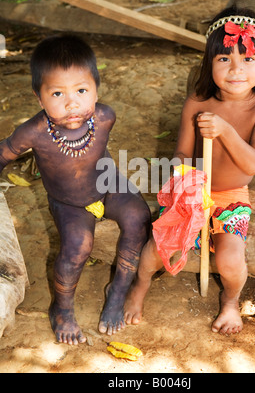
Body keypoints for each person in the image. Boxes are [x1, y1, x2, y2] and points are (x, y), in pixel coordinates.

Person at [124, 5, 255, 336]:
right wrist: (183, 177)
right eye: (224, 59)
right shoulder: (197, 101)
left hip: (232, 197)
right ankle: (139, 285)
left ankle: (229, 300)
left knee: (230, 261)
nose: (236, 69)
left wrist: (225, 130)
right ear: (209, 65)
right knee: (158, 247)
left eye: (248, 59)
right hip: (193, 188)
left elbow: (253, 164)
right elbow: (181, 152)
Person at [0, 34, 151, 344]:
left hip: (108, 184)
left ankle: (118, 290)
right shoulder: (34, 132)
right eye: (57, 93)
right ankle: (63, 309)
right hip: (68, 201)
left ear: (96, 89)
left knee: (139, 217)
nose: (71, 103)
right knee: (77, 247)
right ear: (39, 98)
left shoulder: (105, 117)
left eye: (82, 90)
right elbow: (3, 153)